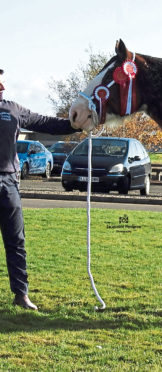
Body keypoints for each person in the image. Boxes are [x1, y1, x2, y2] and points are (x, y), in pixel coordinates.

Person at [0, 68, 79, 310]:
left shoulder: (12, 109)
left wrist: (75, 125)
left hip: (8, 182)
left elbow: (45, 122)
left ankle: (21, 294)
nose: (2, 85)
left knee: (16, 240)